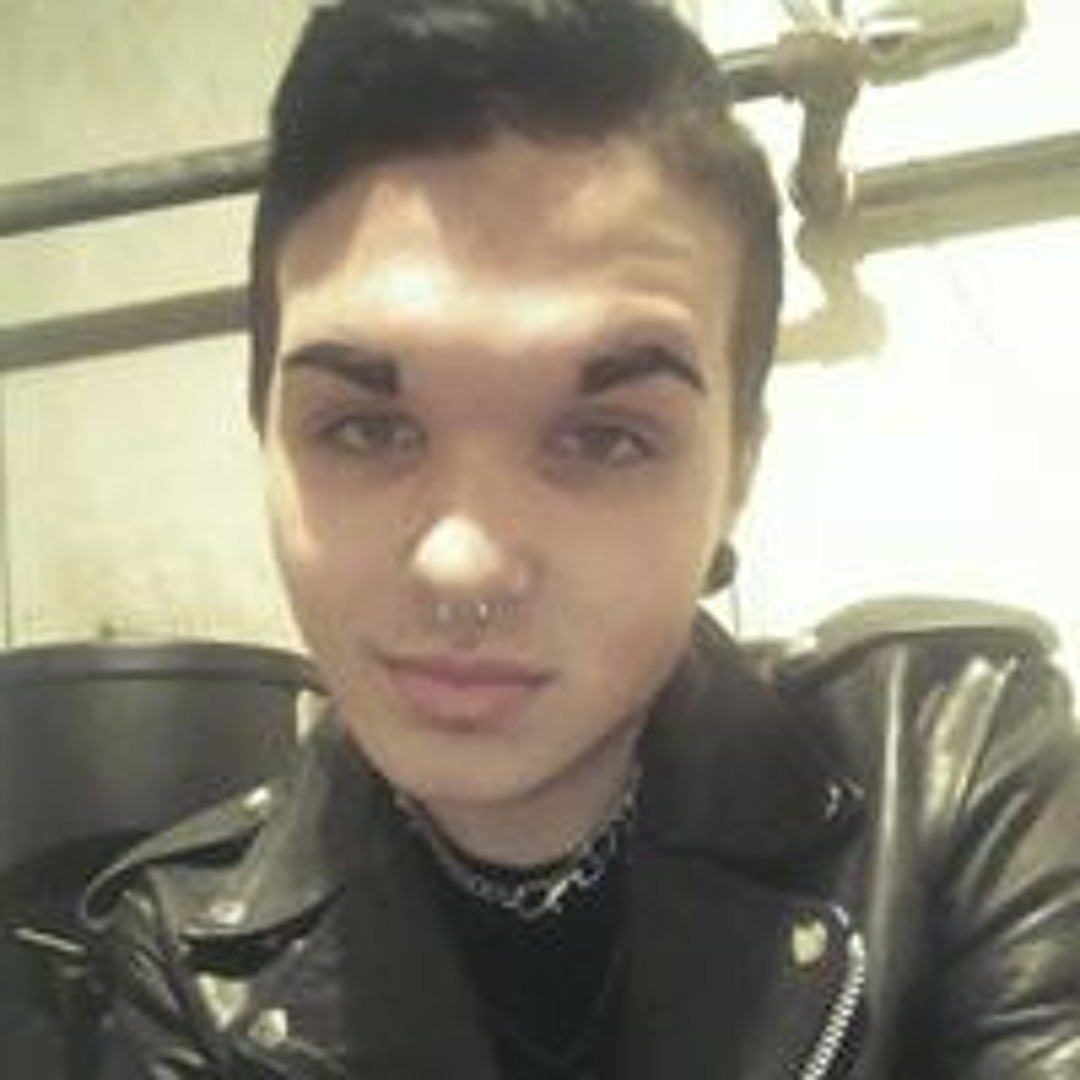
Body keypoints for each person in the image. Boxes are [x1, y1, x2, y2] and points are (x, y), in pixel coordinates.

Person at [83, 1, 1080, 1077]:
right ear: (266, 439)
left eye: (605, 438)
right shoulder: (188, 955)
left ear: (737, 471)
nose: (462, 564)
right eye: (365, 429)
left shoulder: (949, 772)